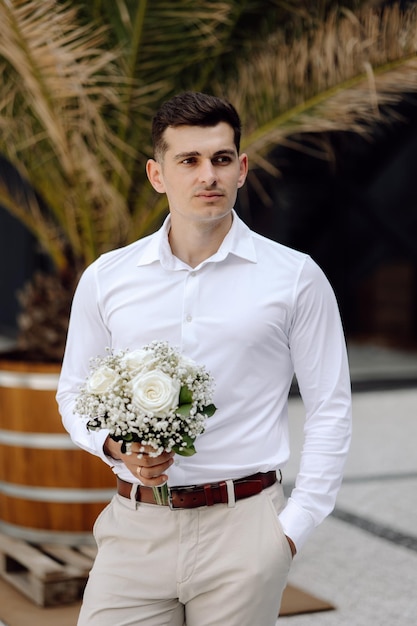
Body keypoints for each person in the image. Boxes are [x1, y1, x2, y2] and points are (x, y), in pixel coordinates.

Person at [57, 91, 352, 626]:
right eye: (188, 161)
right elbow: (72, 390)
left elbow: (330, 407)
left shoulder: (295, 278)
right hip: (135, 529)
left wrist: (292, 529)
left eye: (220, 159)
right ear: (157, 174)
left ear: (241, 169)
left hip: (245, 532)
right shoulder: (107, 277)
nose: (207, 176)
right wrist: (115, 446)